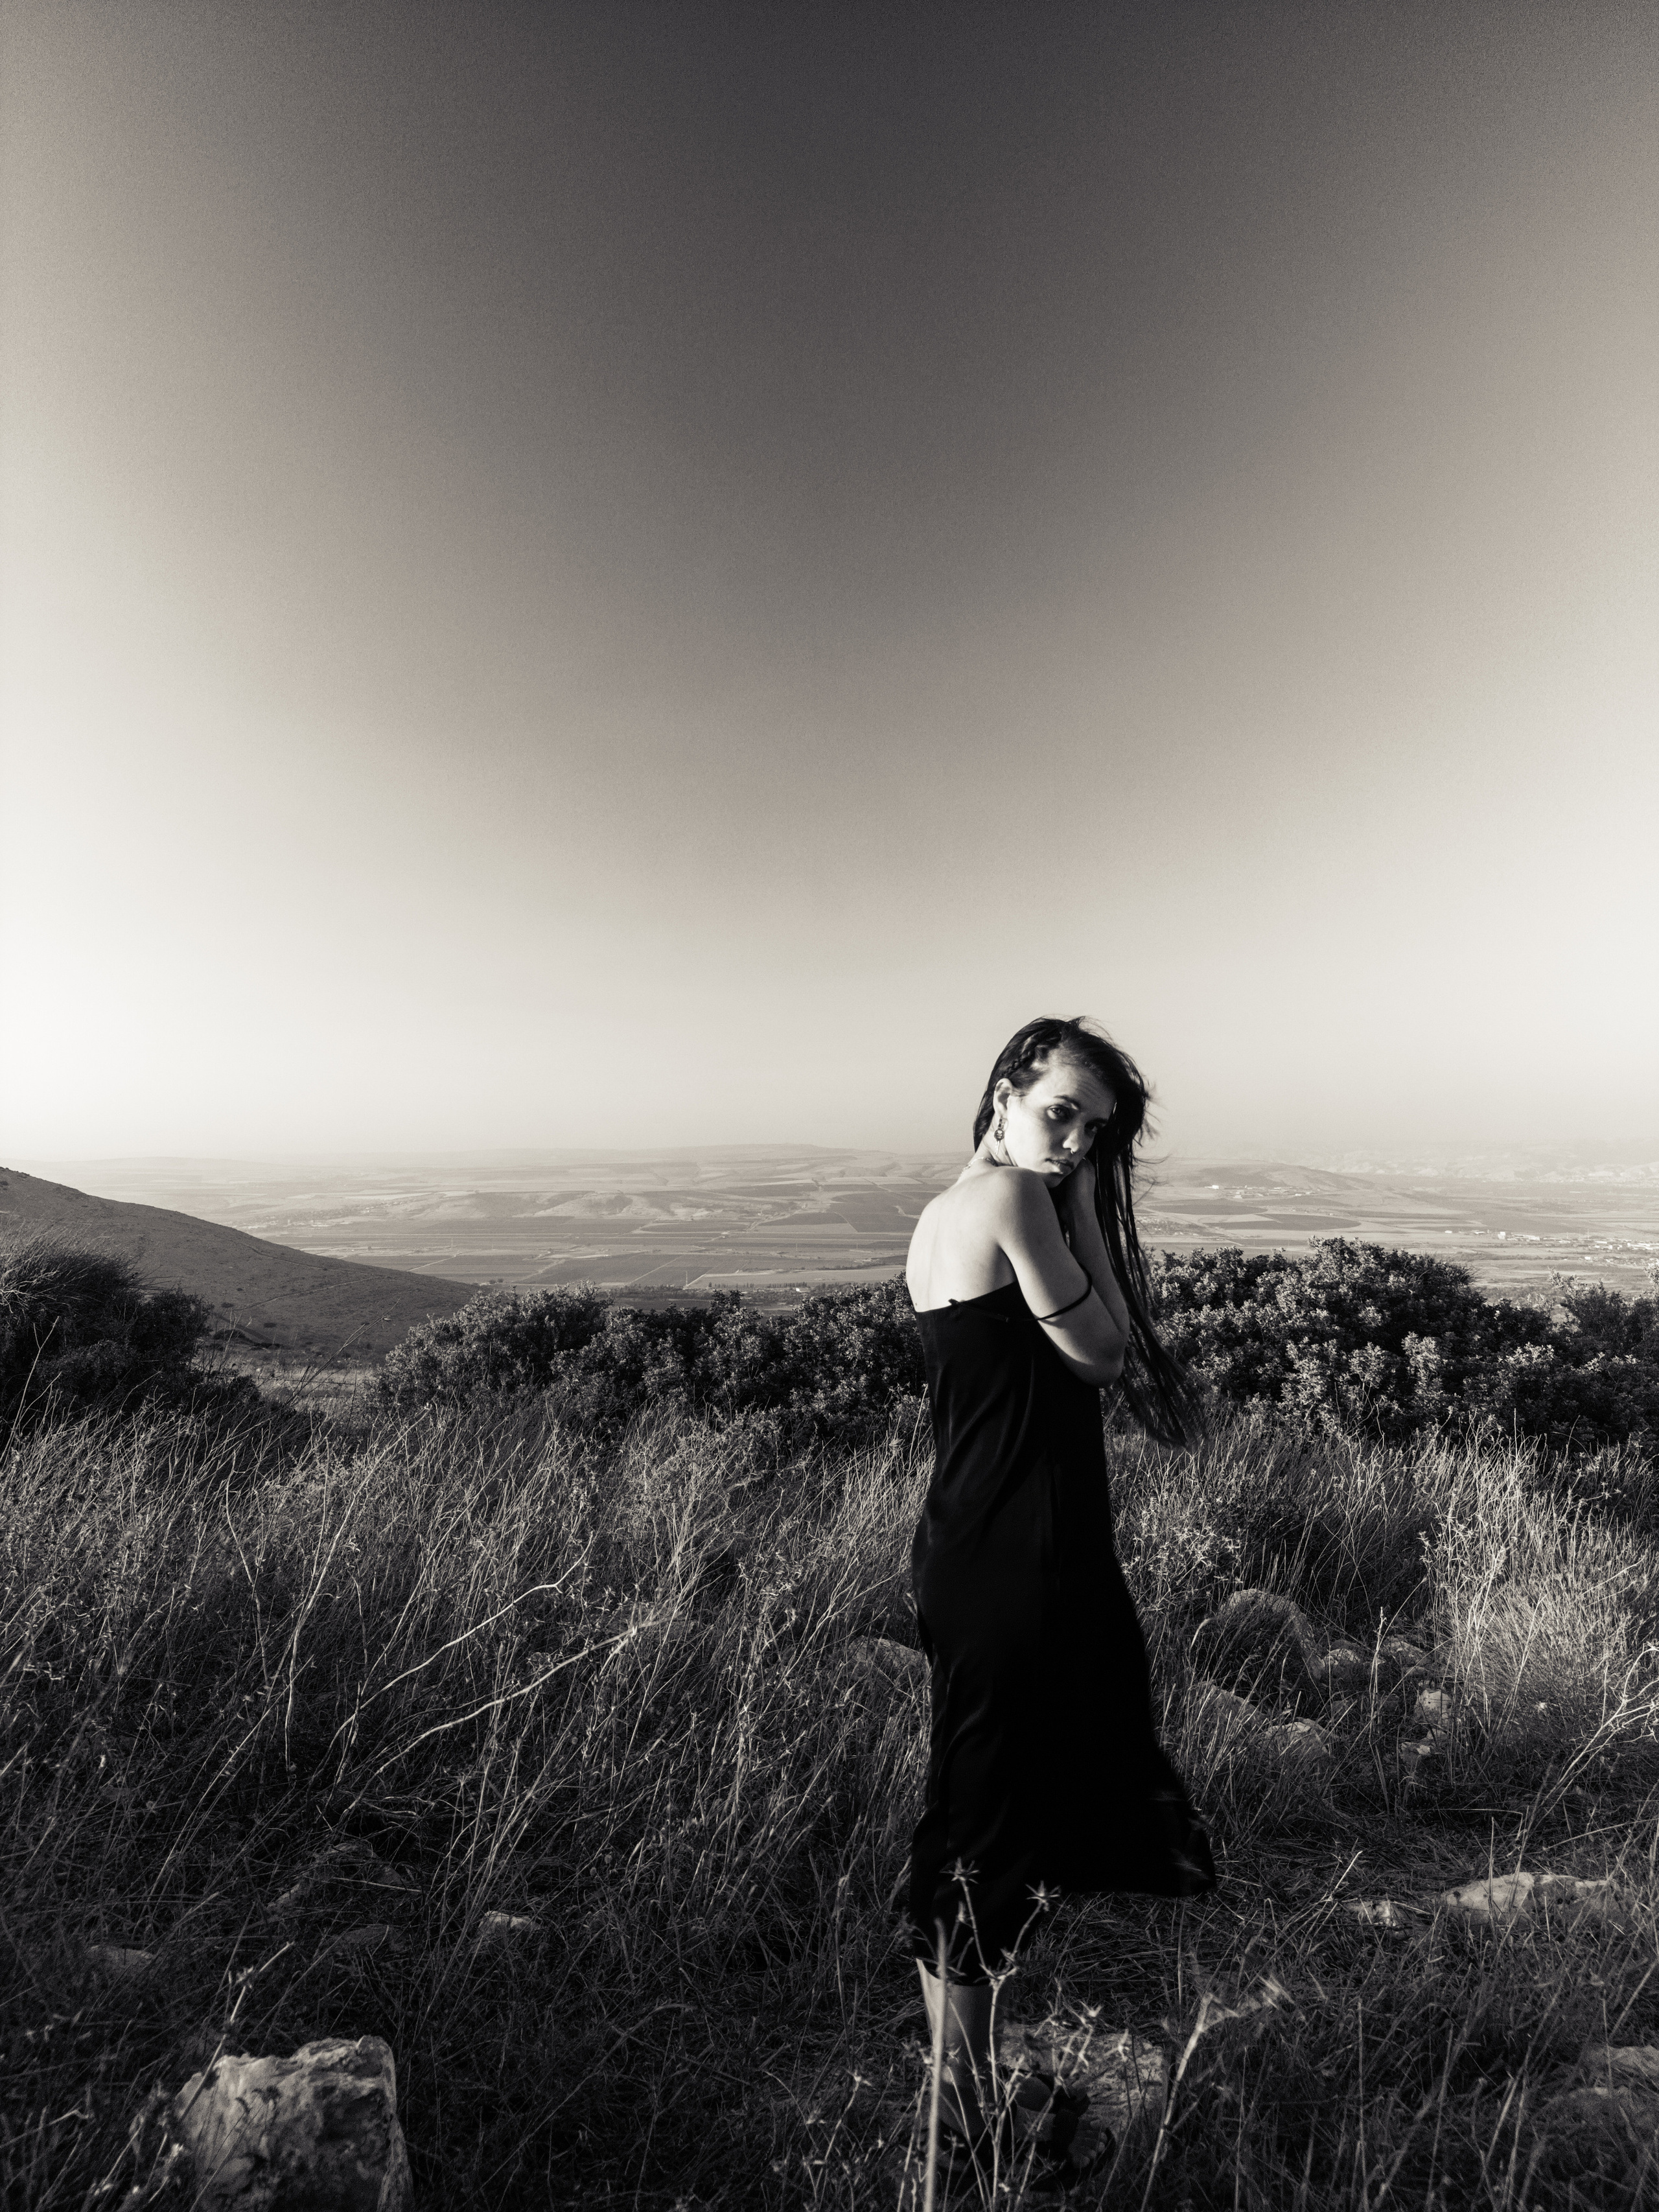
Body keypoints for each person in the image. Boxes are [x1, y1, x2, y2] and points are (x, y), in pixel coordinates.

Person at [904, 1015, 1215, 2157]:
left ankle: (968, 2098)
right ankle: (965, 2122)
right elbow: (1103, 1353)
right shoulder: (1017, 1202)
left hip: (971, 1551)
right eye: (1061, 1112)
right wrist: (1081, 1207)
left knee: (981, 1813)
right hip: (1019, 1564)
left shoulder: (937, 1217)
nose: (1076, 1142)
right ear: (1004, 1090)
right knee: (987, 1834)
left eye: (1094, 1131)